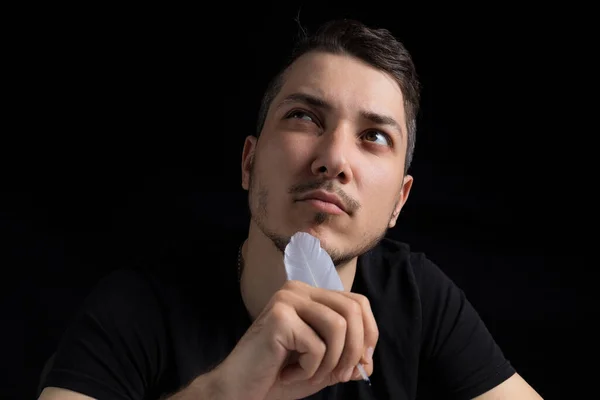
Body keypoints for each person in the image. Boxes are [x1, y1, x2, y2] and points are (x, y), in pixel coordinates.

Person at [38, 19, 543, 399]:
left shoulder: (418, 300)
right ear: (249, 162)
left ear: (399, 202)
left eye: (374, 136)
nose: (334, 160)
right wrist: (224, 392)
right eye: (304, 117)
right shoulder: (137, 306)